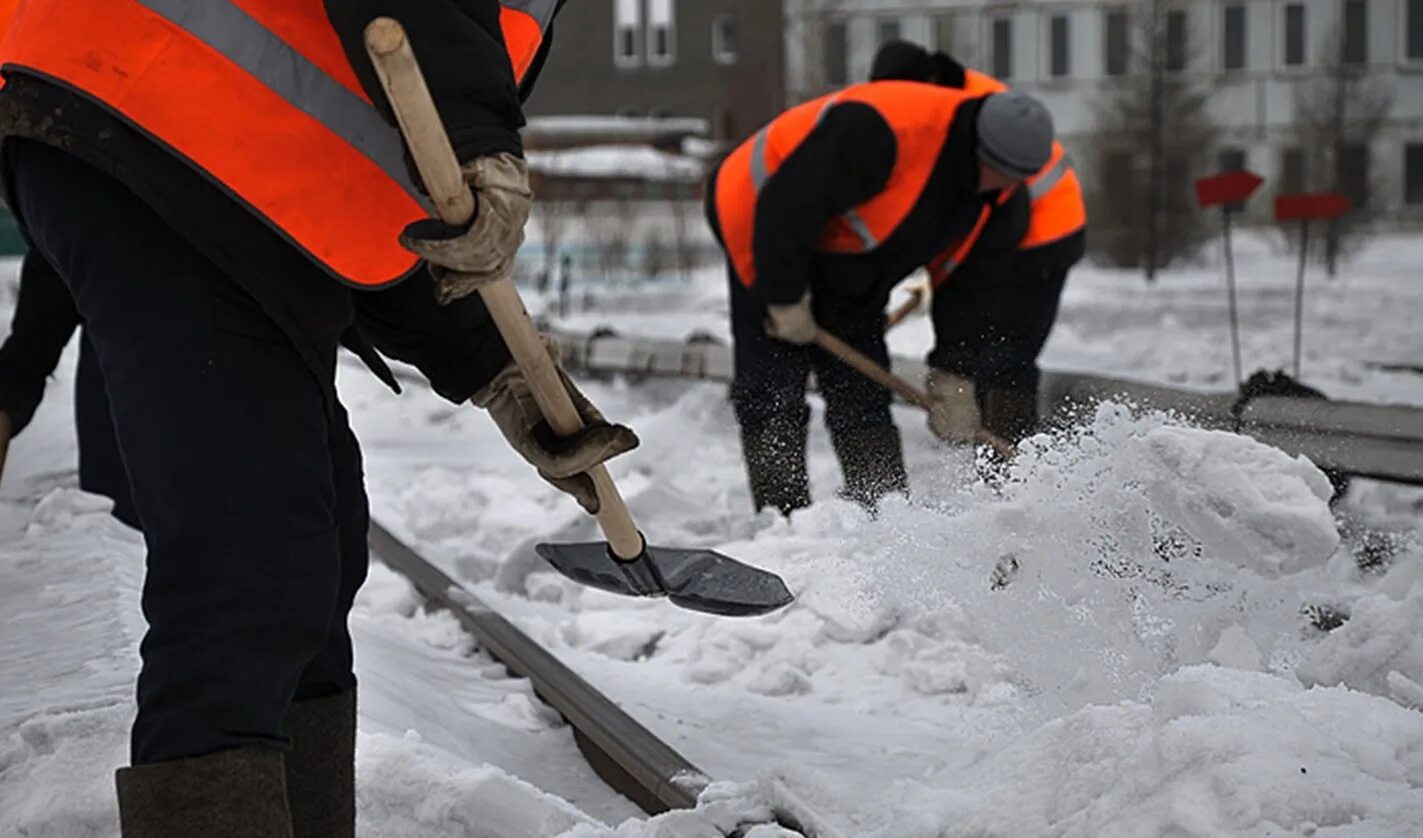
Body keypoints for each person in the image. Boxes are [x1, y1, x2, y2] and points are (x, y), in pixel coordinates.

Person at [0, 2, 635, 836]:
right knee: (247, 560)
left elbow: (371, 178)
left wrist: (494, 367)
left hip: (212, 144)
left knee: (319, 542)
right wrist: (480, 135)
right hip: (154, 111)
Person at [705, 79, 1052, 515]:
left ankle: (884, 515)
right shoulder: (878, 133)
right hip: (759, 218)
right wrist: (783, 297)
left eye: (1013, 179)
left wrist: (954, 375)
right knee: (774, 384)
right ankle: (783, 520)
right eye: (997, 171)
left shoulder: (1000, 201)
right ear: (977, 147)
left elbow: (970, 289)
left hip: (848, 255)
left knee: (861, 386)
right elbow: (788, 204)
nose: (1000, 185)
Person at [872, 40, 1088, 443]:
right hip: (1013, 230)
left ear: (924, 82)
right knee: (990, 351)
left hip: (1043, 233)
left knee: (1007, 356)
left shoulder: (962, 106)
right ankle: (993, 450)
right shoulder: (952, 94)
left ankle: (1011, 461)